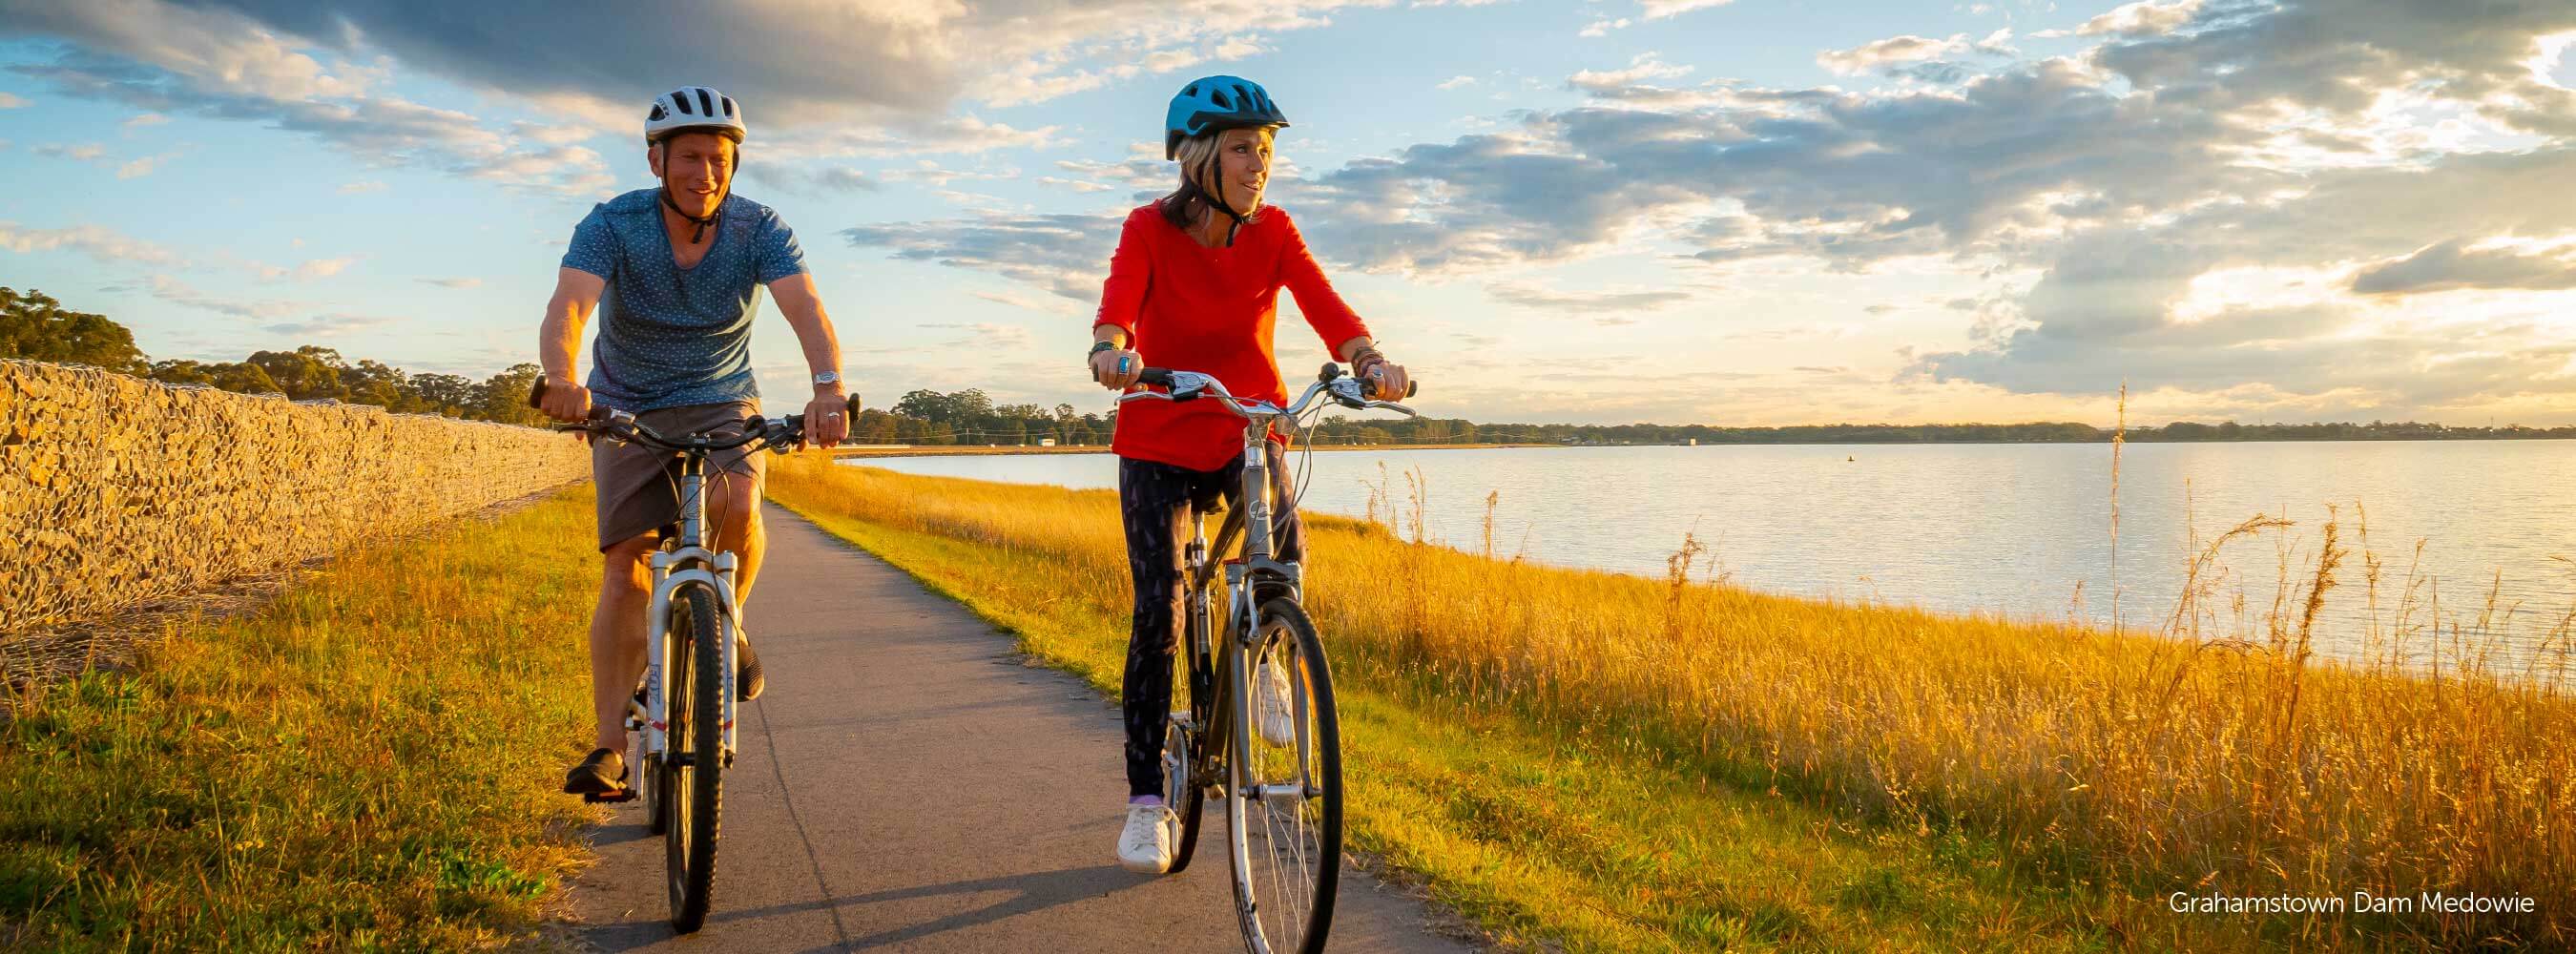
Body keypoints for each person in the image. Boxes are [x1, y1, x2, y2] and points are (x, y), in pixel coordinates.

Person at [1088, 75, 1412, 873]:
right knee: (1160, 608)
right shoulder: (1147, 229)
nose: (1257, 164)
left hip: (1247, 424)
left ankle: (1267, 654)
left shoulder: (1275, 233)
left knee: (1283, 555)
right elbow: (1118, 301)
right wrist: (1111, 348)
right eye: (1241, 149)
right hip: (1160, 434)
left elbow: (1325, 304)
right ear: (1199, 158)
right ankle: (1144, 805)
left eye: (1265, 151)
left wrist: (1368, 360)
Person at [537, 86, 852, 796]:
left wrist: (828, 388)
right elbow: (570, 304)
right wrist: (561, 377)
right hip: (624, 403)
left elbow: (805, 307)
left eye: (717, 159)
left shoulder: (757, 226)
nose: (704, 173)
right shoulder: (614, 224)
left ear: (733, 165)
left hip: (720, 398)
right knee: (625, 564)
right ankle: (611, 747)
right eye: (688, 158)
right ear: (656, 160)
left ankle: (728, 627)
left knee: (740, 501)